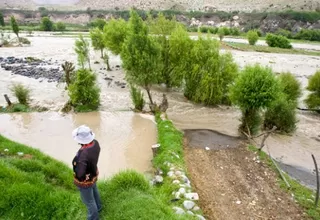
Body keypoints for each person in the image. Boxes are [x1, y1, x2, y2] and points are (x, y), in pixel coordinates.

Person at [72, 125, 102, 220]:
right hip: (93, 172)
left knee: (89, 201)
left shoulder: (82, 155)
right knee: (94, 189)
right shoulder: (95, 143)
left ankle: (93, 218)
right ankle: (99, 207)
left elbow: (80, 174)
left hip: (86, 180)